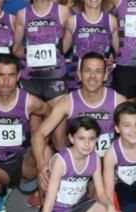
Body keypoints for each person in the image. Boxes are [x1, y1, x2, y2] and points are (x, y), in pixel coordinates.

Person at [20, 116, 123, 212]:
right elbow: (48, 203)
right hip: (60, 211)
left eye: (91, 139)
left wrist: (111, 209)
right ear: (71, 138)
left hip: (80, 204)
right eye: (81, 138)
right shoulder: (62, 161)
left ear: (97, 139)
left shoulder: (94, 157)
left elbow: (100, 192)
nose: (87, 144)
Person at [0, 53, 50, 212]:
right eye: (1, 75)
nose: (6, 82)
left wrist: (41, 139)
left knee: (46, 151)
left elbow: (51, 114)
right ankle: (2, 190)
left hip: (23, 160)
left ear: (18, 76)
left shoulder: (29, 101)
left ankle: (46, 211)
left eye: (11, 76)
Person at [31, 52, 125, 191]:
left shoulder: (118, 100)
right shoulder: (68, 101)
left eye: (98, 71)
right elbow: (39, 134)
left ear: (105, 76)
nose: (92, 77)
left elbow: (134, 133)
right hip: (78, 163)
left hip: (107, 162)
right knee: (45, 156)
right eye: (87, 71)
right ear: (79, 74)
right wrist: (40, 167)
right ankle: (46, 203)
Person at [12, 0, 70, 102]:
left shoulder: (63, 11)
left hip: (55, 77)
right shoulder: (22, 14)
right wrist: (30, 54)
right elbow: (16, 48)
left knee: (57, 120)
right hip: (31, 78)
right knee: (34, 122)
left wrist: (58, 52)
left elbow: (71, 41)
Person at [62, 0, 119, 91]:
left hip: (104, 81)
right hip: (77, 81)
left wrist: (113, 59)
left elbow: (120, 52)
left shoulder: (111, 21)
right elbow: (61, 51)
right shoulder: (72, 21)